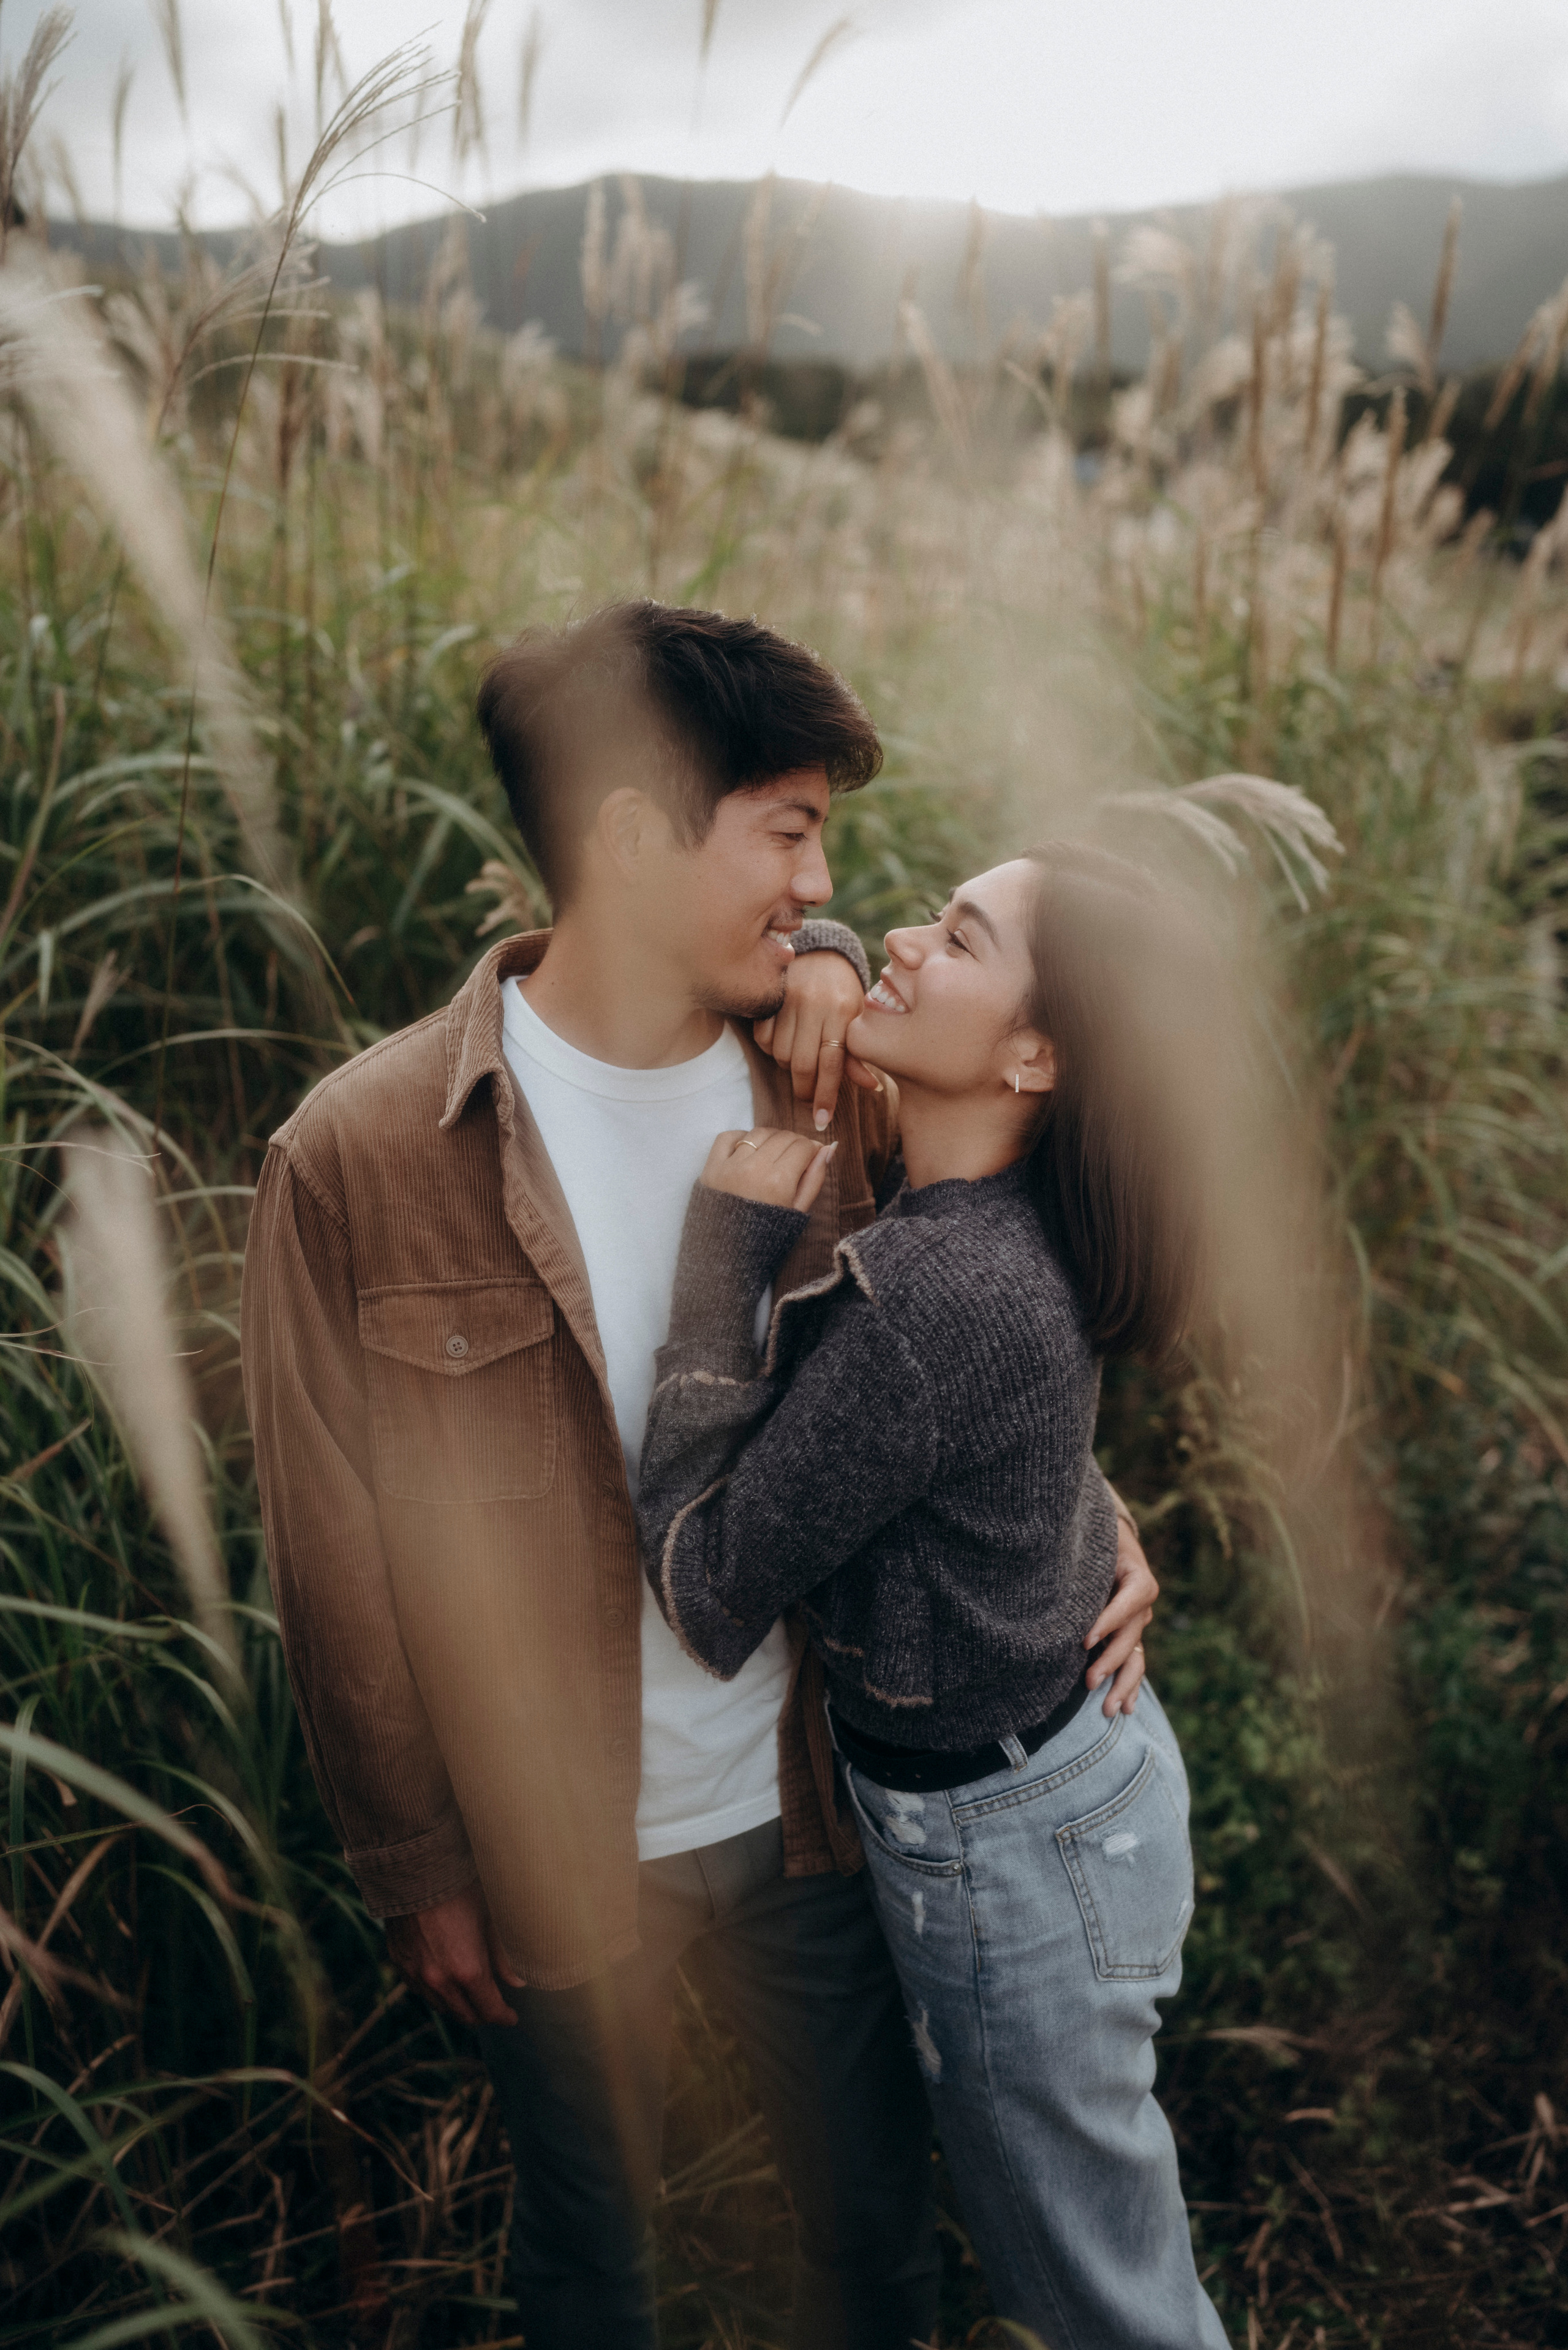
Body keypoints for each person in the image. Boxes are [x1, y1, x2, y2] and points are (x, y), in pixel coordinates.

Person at [241, 602, 1159, 2350]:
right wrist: (416, 1857)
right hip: (552, 1847)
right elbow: (332, 1549)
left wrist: (1104, 1526)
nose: (826, 884)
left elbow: (991, 1354)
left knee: (875, 2244)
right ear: (636, 832)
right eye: (791, 829)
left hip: (819, 1805)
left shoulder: (839, 1085)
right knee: (594, 2266)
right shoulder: (359, 1154)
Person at [638, 842, 1231, 2349]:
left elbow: (708, 1588)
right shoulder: (994, 1201)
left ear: (1034, 1054)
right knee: (1080, 2251)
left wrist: (717, 1276)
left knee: (1095, 2298)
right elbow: (1008, 1444)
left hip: (1009, 1851)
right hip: (1065, 1788)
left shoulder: (935, 1294)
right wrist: (826, 945)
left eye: (957, 934)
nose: (905, 933)